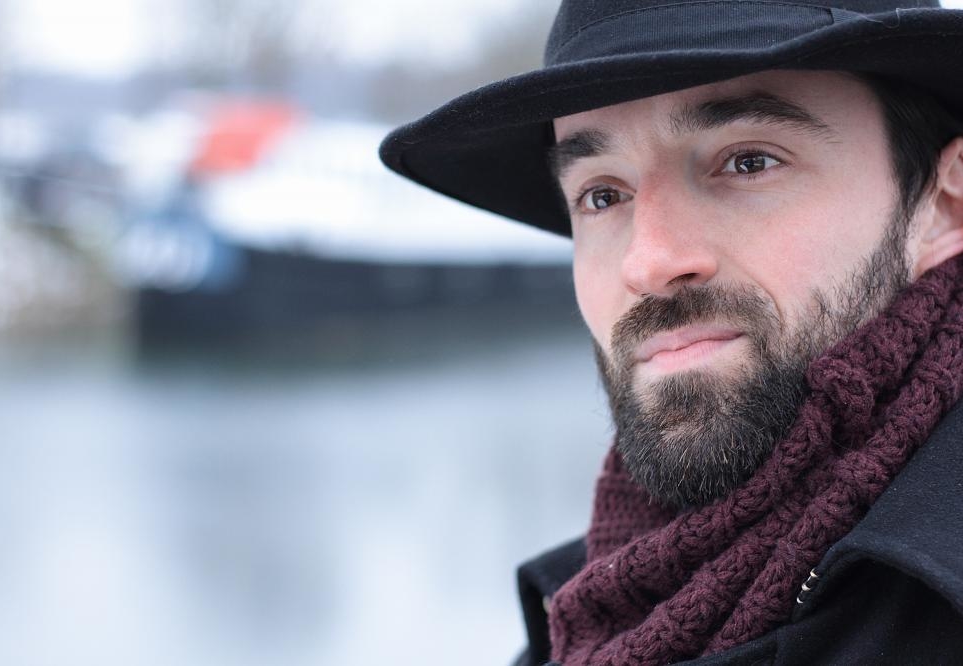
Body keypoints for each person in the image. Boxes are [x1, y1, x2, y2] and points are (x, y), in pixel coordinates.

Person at [380, 1, 963, 663]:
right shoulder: (588, 611)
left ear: (947, 205)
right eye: (602, 196)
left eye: (748, 162)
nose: (649, 263)